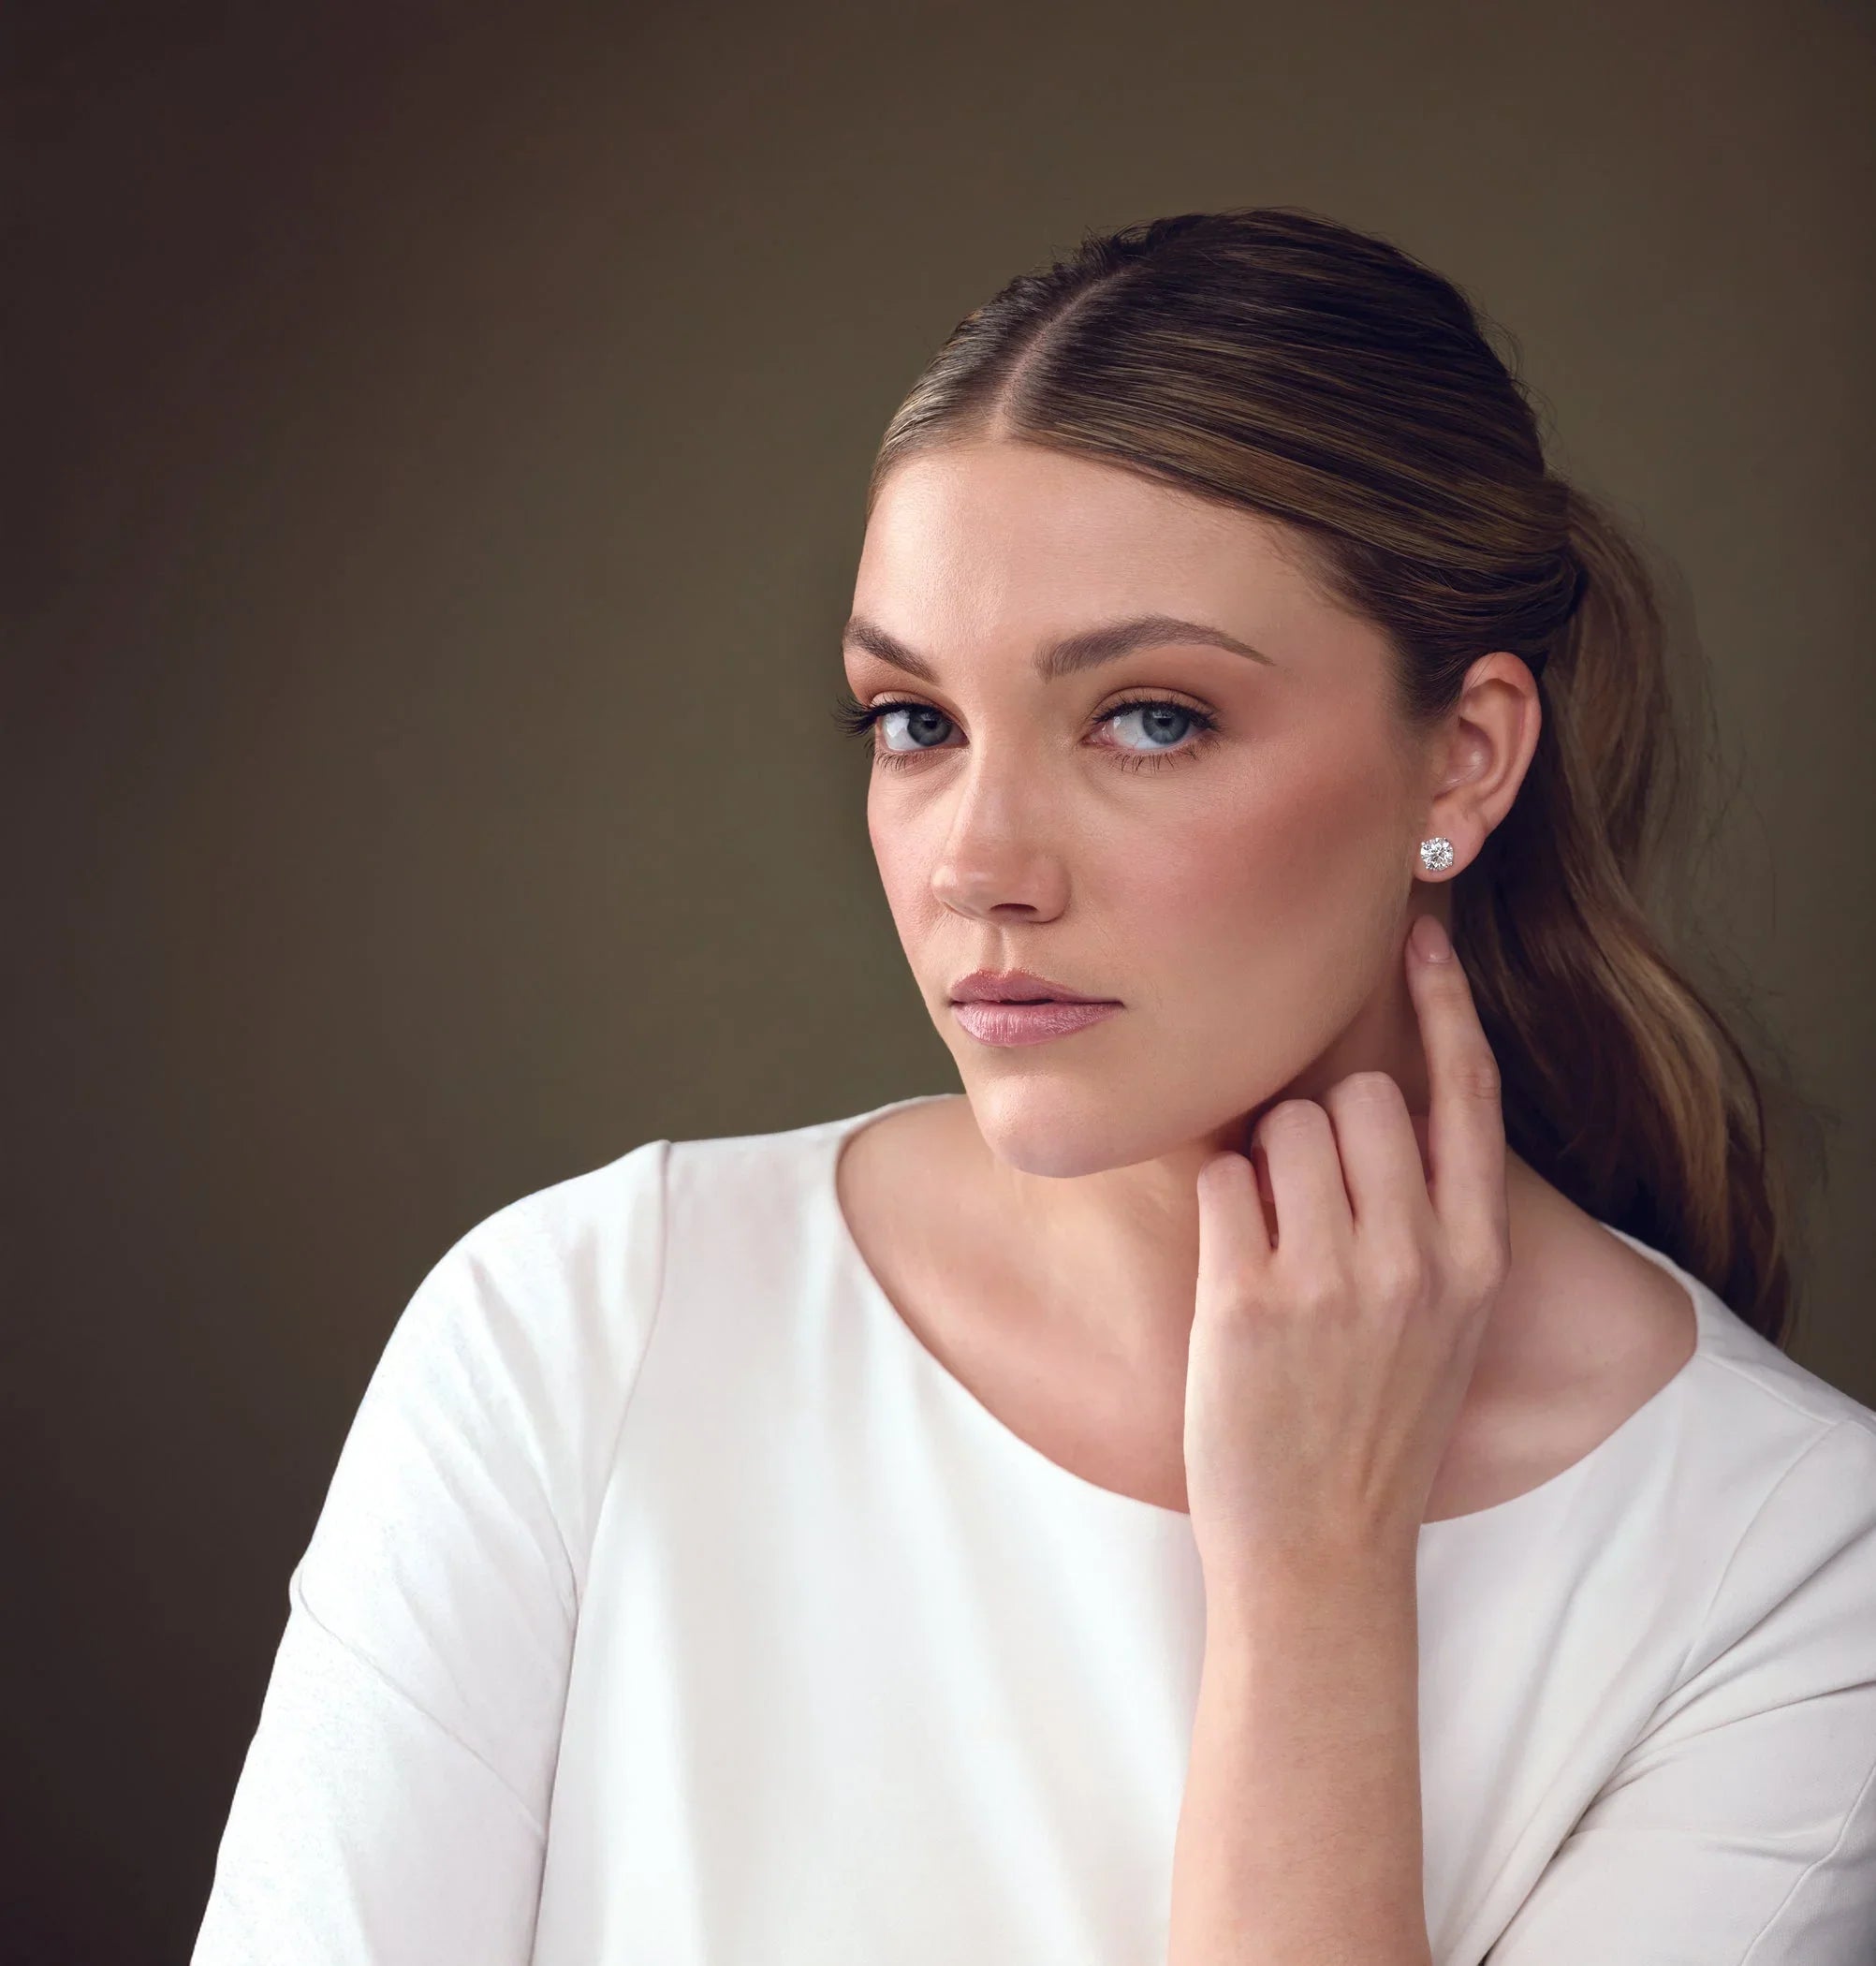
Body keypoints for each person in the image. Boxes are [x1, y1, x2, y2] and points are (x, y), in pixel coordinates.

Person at [191, 207, 1876, 1964]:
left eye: (1149, 717)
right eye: (915, 722)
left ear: (1466, 753)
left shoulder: (1792, 1580)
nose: (978, 863)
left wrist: (1314, 1591)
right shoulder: (583, 1333)